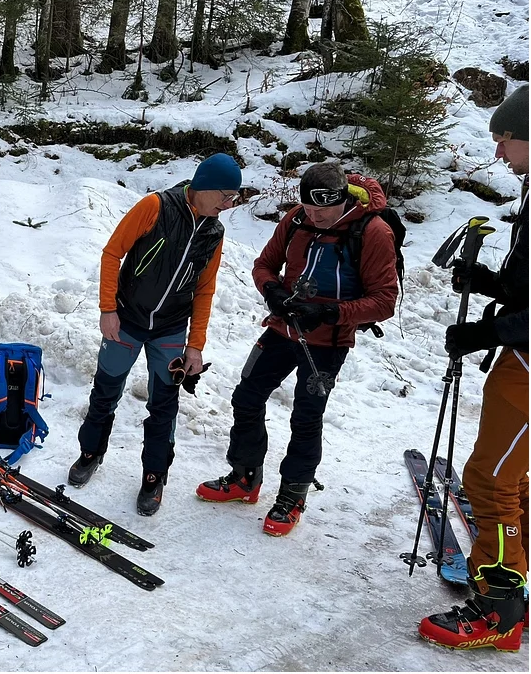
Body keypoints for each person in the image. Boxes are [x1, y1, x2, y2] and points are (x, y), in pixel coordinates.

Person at [196, 163, 398, 536]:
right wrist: (272, 290)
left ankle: (293, 494)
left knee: (306, 416)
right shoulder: (296, 219)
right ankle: (244, 477)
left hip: (327, 343)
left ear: (343, 201)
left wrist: (329, 311)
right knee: (246, 397)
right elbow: (265, 265)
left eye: (323, 210)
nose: (315, 216)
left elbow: (385, 300)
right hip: (282, 328)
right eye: (308, 208)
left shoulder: (372, 231)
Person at [66, 152, 241, 515]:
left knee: (164, 406)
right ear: (204, 187)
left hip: (170, 329)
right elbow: (113, 253)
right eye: (226, 196)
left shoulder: (214, 232)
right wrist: (107, 309)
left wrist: (195, 346)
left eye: (234, 198)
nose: (229, 204)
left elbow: (205, 289)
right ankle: (90, 453)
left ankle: (153, 477)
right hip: (126, 320)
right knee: (105, 391)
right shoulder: (155, 206)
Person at [419, 84, 528, 652]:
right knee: (511, 477)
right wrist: (490, 284)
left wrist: (485, 330)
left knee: (490, 479)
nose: (499, 154)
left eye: (503, 140)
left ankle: (501, 609)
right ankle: (518, 579)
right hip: (520, 354)